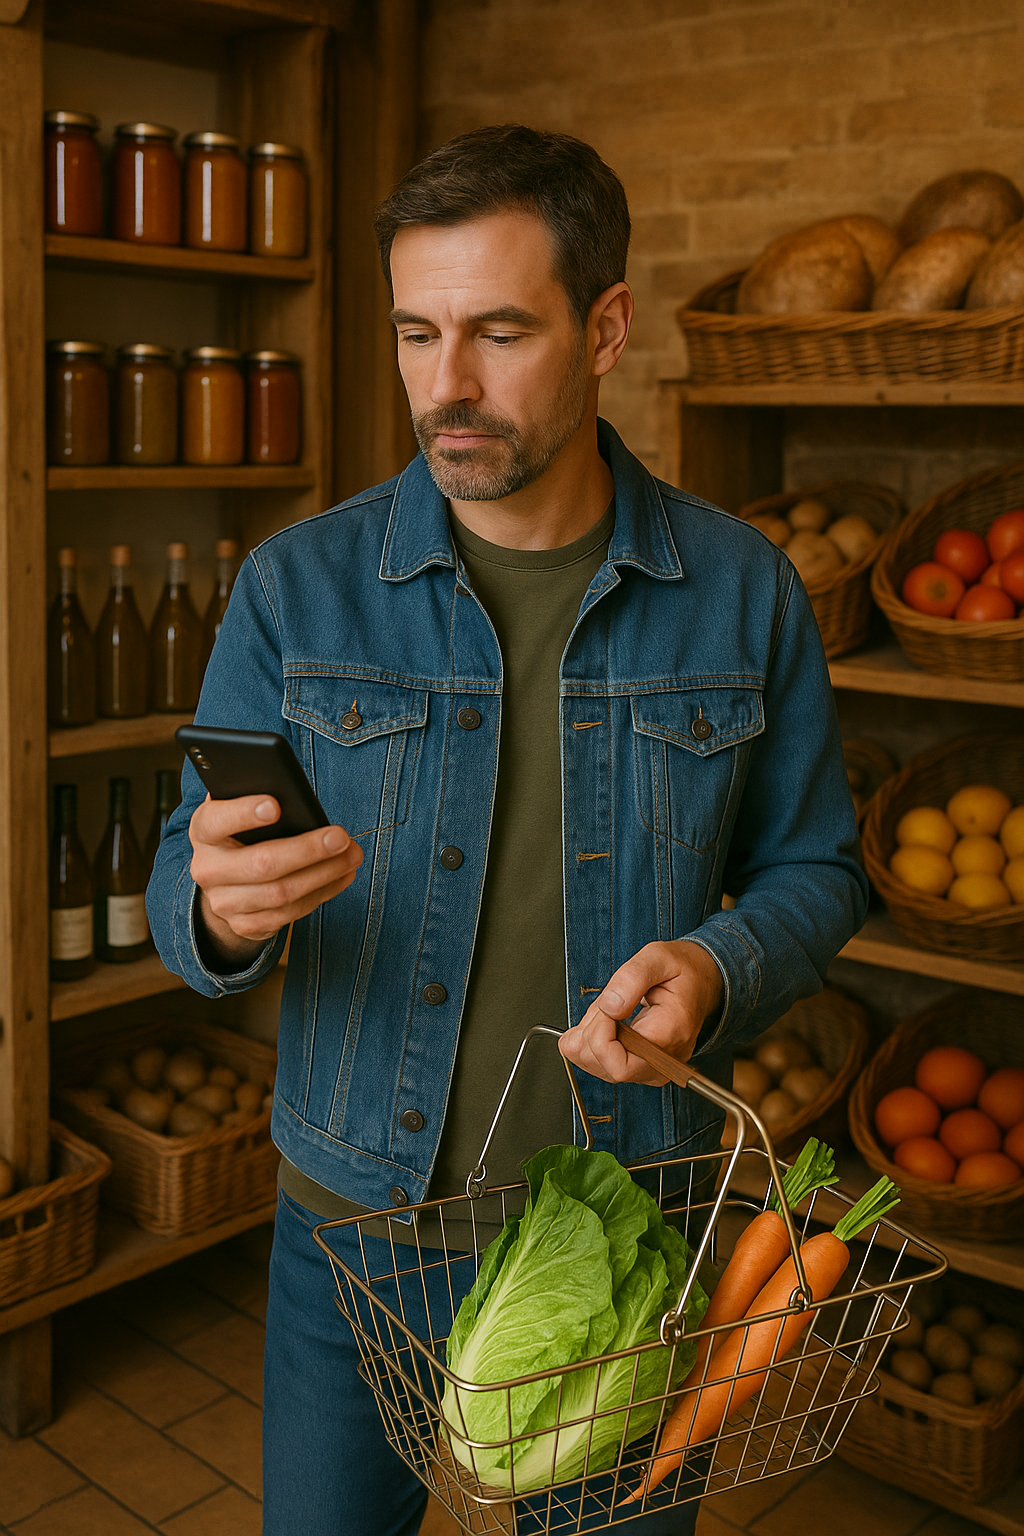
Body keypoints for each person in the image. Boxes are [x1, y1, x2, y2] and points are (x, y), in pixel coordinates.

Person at [148, 123, 867, 1536]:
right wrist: (218, 909)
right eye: (418, 334)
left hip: (621, 1238)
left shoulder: (744, 593)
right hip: (353, 1232)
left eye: (497, 332)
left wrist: (723, 963)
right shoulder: (300, 587)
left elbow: (818, 867)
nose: (446, 386)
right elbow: (190, 871)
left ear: (605, 330)